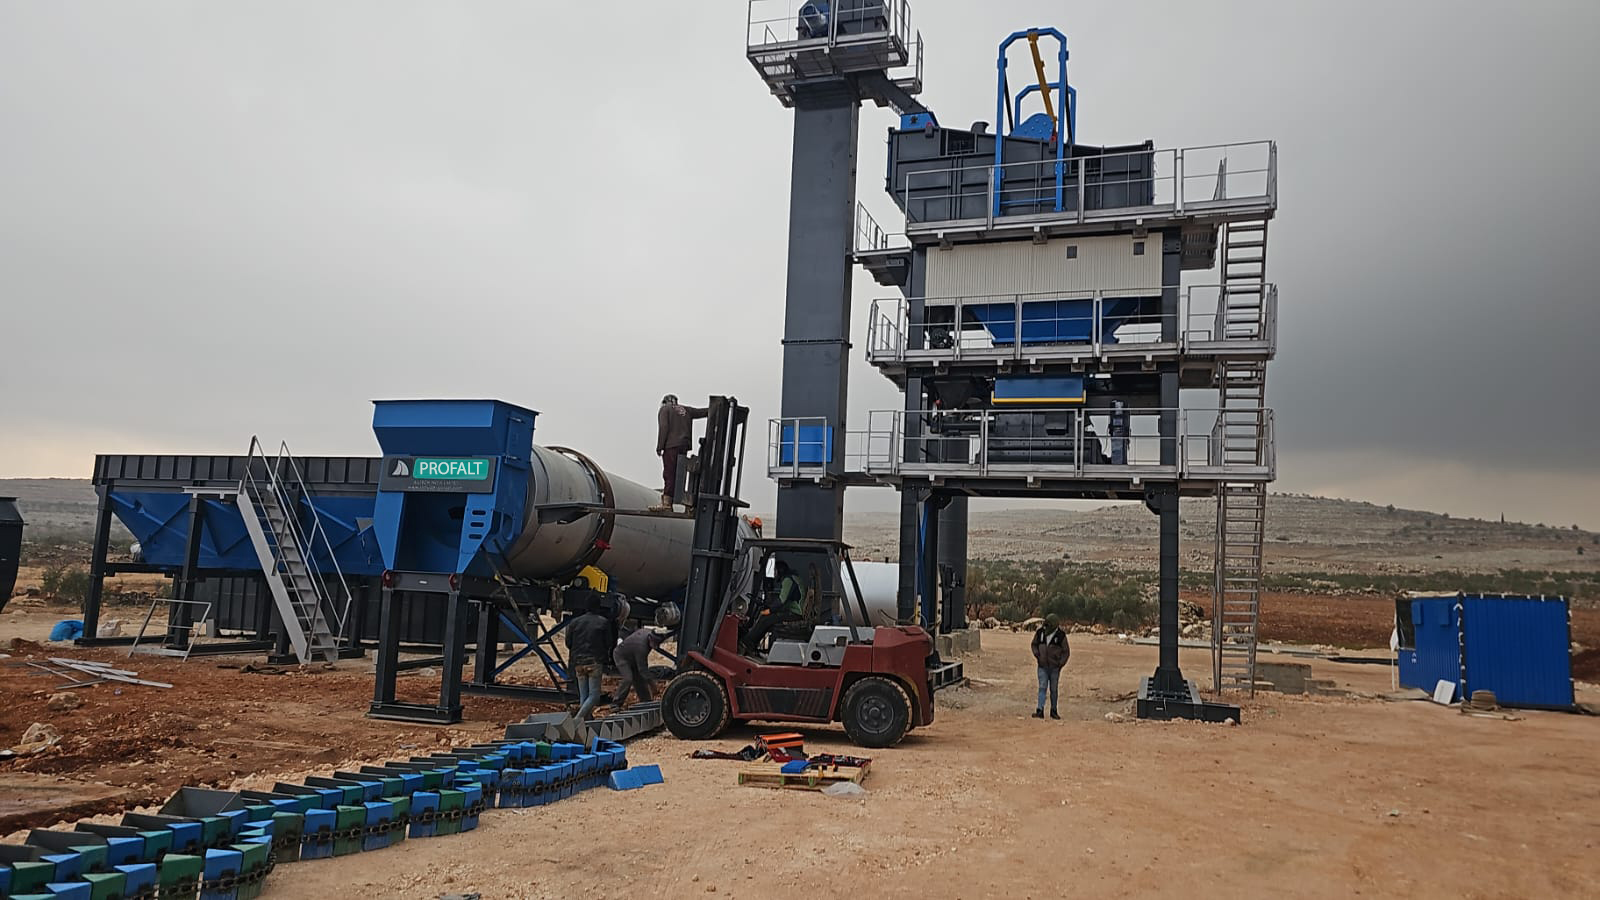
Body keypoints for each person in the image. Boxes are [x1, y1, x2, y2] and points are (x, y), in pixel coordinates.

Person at [742, 561, 806, 655]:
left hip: (795, 613)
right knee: (766, 618)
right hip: (793, 611)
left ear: (780, 570)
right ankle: (752, 644)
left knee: (765, 618)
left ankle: (747, 642)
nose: (774, 574)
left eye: (775, 571)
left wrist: (770, 609)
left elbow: (782, 600)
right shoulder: (793, 578)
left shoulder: (788, 580)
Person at [656, 394, 707, 509]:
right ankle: (678, 499)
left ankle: (667, 503)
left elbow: (664, 427)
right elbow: (702, 412)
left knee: (669, 473)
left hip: (671, 446)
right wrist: (715, 407)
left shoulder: (665, 409)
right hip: (684, 445)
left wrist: (660, 446)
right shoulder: (686, 410)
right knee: (680, 474)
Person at [564, 606, 613, 721]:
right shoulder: (603, 622)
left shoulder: (574, 622)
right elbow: (609, 642)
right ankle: (577, 721)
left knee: (584, 696)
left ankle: (585, 721)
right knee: (594, 696)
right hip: (594, 661)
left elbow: (568, 642)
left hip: (578, 662)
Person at [610, 627, 667, 708]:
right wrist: (653, 685)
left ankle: (646, 702)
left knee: (639, 680)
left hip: (633, 655)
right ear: (650, 638)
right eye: (654, 643)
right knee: (628, 678)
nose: (655, 646)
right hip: (621, 656)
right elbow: (643, 670)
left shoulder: (650, 633)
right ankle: (616, 703)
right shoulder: (641, 647)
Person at [1031, 614, 1071, 720]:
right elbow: (1034, 644)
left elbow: (1066, 652)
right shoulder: (1040, 633)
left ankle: (1054, 711)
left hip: (1054, 668)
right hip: (1042, 666)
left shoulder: (1061, 635)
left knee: (1054, 689)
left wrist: (1060, 664)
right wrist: (1037, 655)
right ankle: (1040, 710)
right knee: (1042, 687)